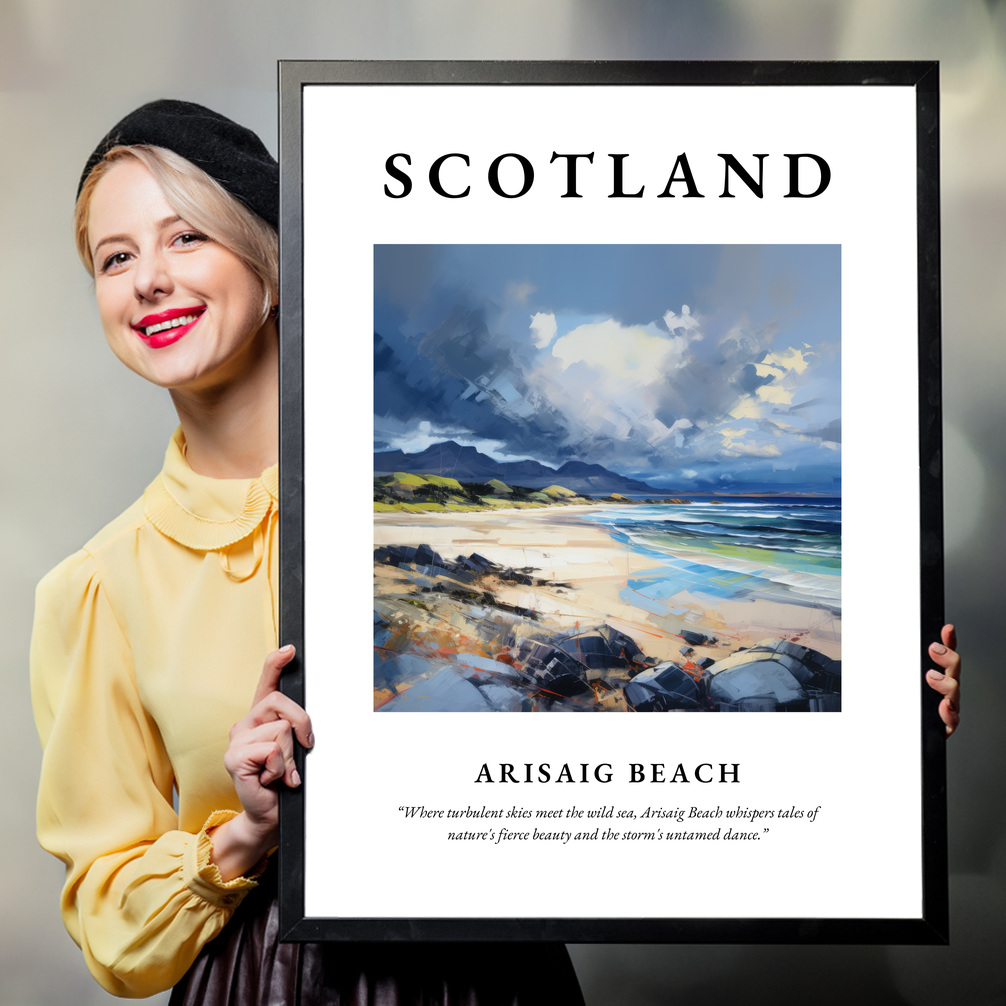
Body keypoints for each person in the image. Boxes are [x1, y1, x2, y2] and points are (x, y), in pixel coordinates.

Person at [30, 100, 586, 1004]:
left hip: (494, 973)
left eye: (185, 239)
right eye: (116, 257)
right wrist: (245, 832)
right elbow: (110, 924)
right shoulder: (97, 586)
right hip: (263, 981)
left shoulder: (422, 526)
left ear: (273, 263)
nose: (148, 281)